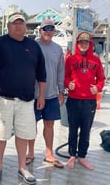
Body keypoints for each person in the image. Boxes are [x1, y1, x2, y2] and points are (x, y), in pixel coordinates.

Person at [0, 12, 46, 184]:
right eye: (14, 23)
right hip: (2, 99)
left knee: (24, 134)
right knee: (0, 134)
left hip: (26, 101)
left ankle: (22, 167)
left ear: (26, 26)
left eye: (21, 23)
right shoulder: (0, 43)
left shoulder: (33, 46)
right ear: (8, 26)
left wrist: (41, 95)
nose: (18, 26)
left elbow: (41, 73)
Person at [26, 19, 65, 168]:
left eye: (51, 29)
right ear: (40, 30)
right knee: (31, 124)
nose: (48, 31)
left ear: (54, 31)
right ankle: (30, 153)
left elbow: (61, 70)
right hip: (33, 94)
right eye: (45, 28)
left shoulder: (57, 49)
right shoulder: (32, 46)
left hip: (51, 94)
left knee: (50, 124)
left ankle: (49, 154)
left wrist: (61, 91)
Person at [64, 31, 105, 170]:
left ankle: (81, 156)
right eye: (81, 42)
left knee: (86, 130)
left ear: (90, 44)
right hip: (73, 100)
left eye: (86, 42)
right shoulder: (70, 59)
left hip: (89, 101)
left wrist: (98, 87)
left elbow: (101, 79)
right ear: (77, 43)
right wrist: (68, 83)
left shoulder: (96, 60)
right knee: (72, 129)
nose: (83, 44)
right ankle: (71, 156)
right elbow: (65, 76)